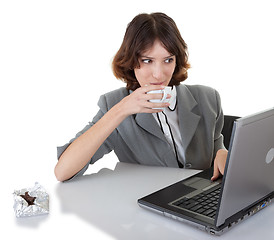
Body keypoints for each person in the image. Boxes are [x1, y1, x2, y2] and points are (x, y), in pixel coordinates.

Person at [54, 12, 228, 182]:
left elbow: (216, 150)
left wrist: (222, 153)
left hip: (201, 205)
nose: (159, 75)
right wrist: (121, 110)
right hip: (146, 207)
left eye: (168, 60)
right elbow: (63, 172)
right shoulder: (114, 104)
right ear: (131, 60)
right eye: (147, 60)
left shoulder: (208, 98)